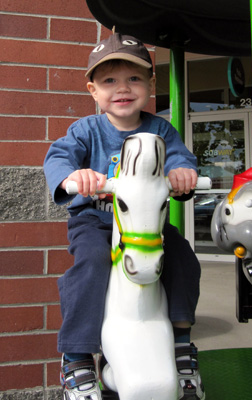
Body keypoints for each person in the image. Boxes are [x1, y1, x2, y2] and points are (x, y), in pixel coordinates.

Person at [44, 32, 205, 400]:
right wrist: (74, 176)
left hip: (148, 225)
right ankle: (77, 355)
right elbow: (58, 156)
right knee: (91, 262)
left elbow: (179, 157)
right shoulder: (86, 130)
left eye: (134, 78)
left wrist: (182, 172)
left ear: (151, 84)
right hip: (96, 221)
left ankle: (181, 344)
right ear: (93, 90)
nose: (123, 88)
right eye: (109, 81)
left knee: (181, 256)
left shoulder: (160, 129)